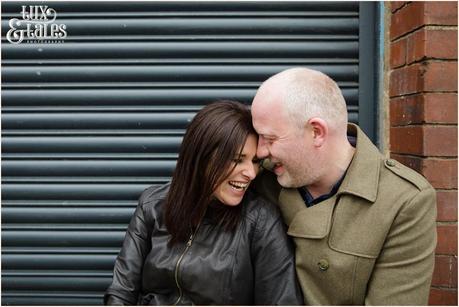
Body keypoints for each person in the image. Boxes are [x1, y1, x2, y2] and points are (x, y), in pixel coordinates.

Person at [251, 67, 437, 305]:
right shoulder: (258, 177)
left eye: (270, 138)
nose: (259, 150)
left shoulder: (403, 201)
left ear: (316, 132)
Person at [104, 100, 303, 305]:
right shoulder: (153, 205)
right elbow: (121, 292)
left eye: (255, 162)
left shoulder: (261, 222)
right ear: (202, 158)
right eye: (236, 160)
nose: (251, 174)